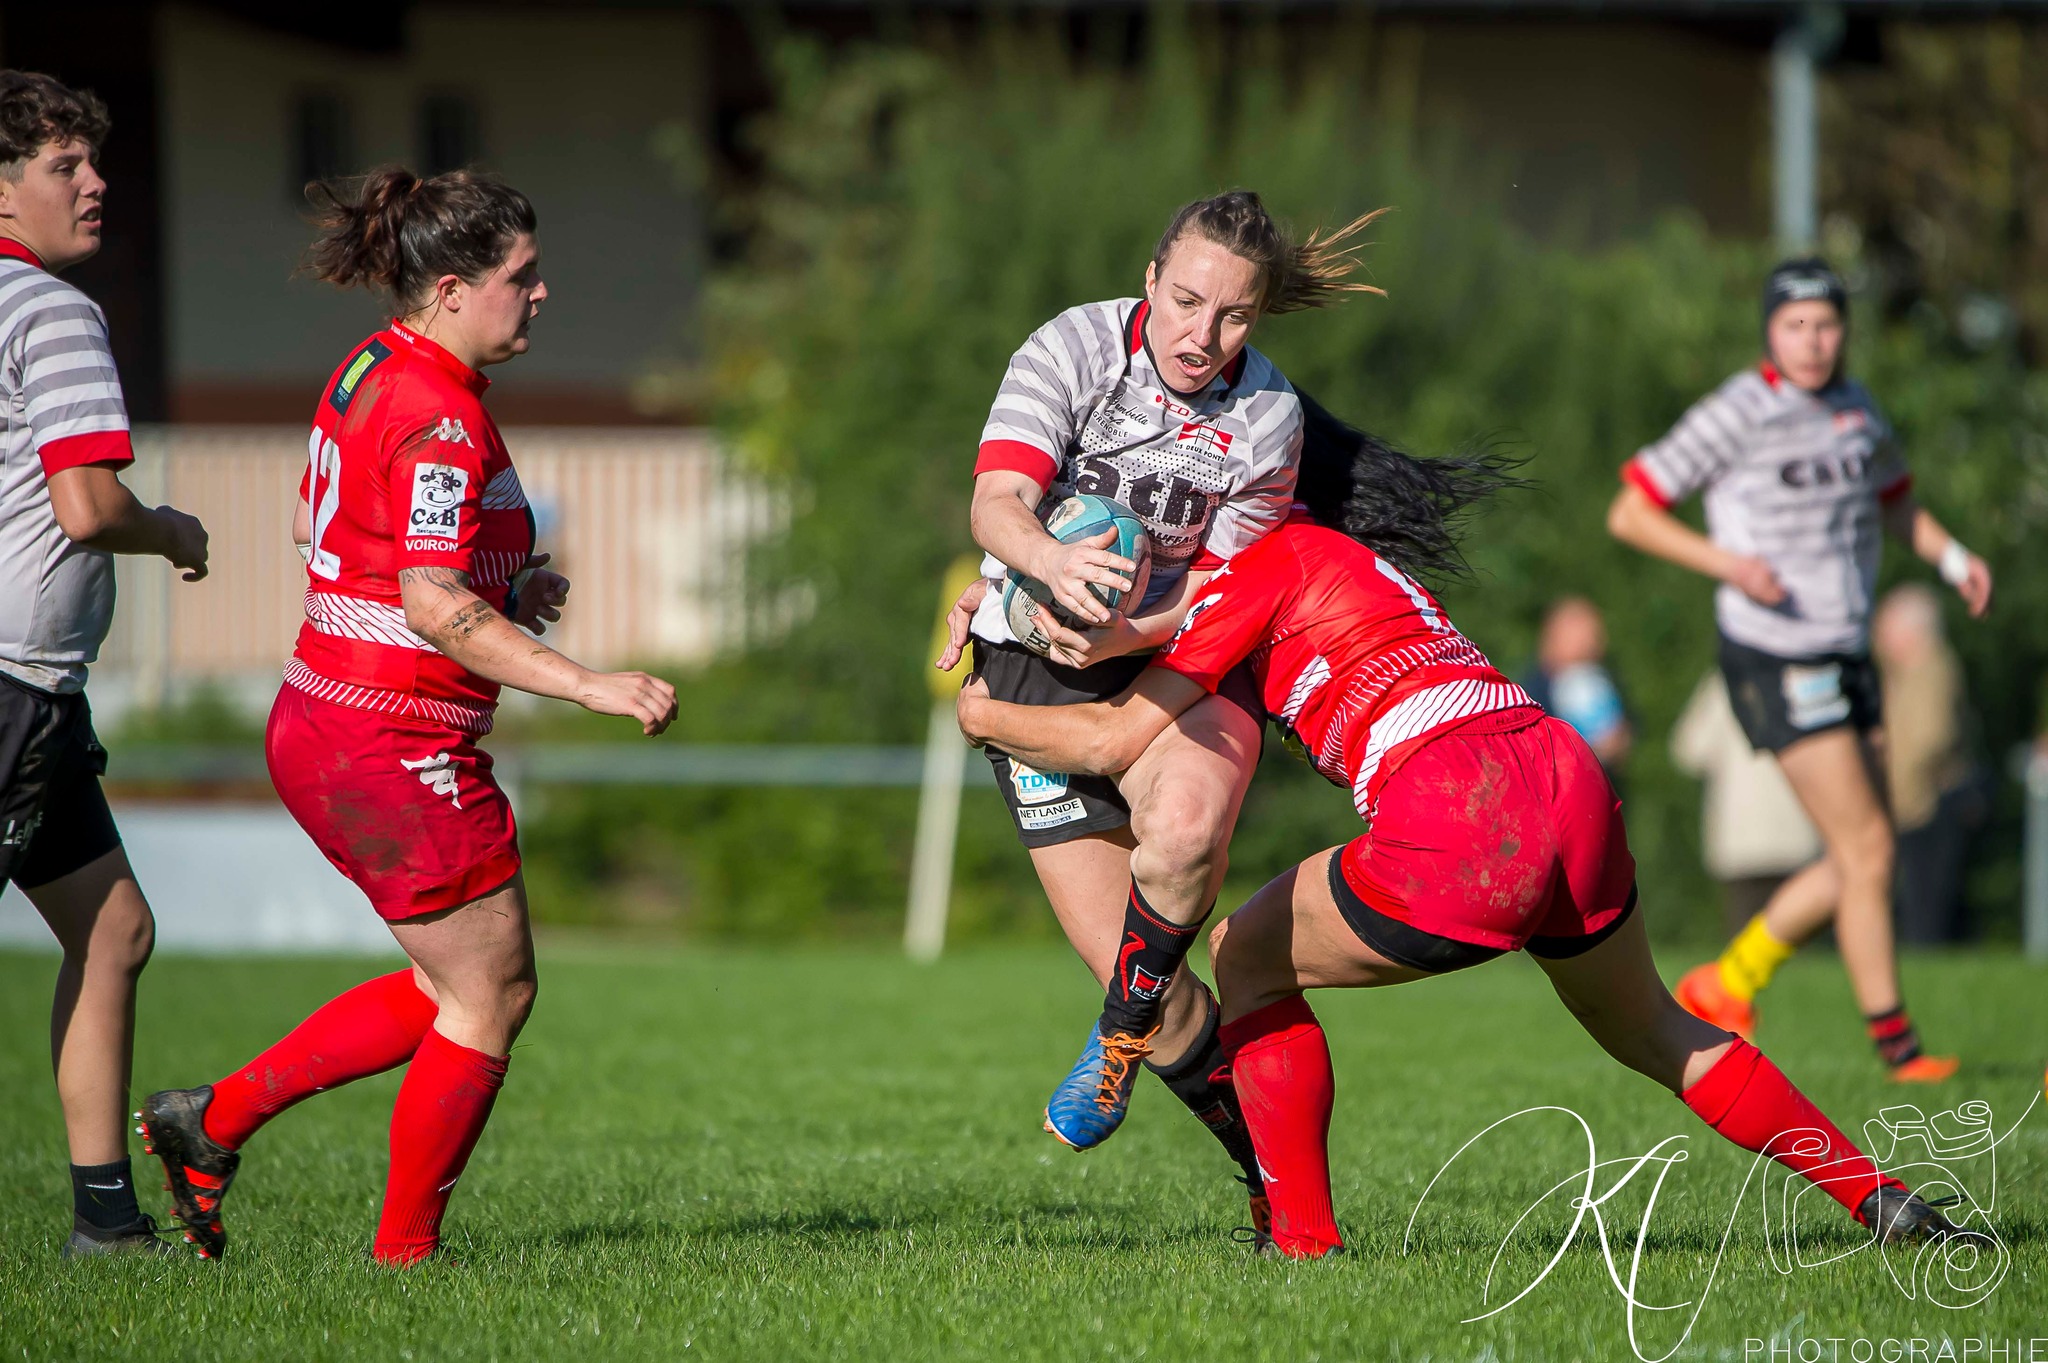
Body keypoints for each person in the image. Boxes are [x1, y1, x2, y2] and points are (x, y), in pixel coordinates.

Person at [955, 400, 1969, 1259]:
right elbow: (1146, 626)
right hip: (1558, 772)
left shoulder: (1265, 563)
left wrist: (983, 712)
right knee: (1656, 1029)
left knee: (1242, 956)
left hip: (1462, 814)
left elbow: (1115, 731)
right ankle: (1876, 1196)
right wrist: (1005, 594)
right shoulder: (1339, 558)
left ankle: (1301, 1245)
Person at [137, 167, 678, 1265]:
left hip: (330, 718)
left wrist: (503, 583)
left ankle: (210, 1122)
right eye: (521, 274)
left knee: (453, 984)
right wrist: (588, 682)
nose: (541, 292)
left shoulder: (373, 365)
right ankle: (404, 1257)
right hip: (390, 737)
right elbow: (430, 601)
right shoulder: (439, 412)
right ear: (450, 289)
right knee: (492, 992)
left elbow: (329, 532)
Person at [950, 192, 1380, 1231]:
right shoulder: (1071, 347)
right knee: (1164, 992)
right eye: (1186, 302)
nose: (1202, 335)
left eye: (1233, 316)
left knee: (1183, 835)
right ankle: (1271, 1186)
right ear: (1150, 280)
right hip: (1035, 667)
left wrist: (1120, 635)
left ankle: (1116, 1032)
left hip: (1182, 659)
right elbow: (995, 503)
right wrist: (1050, 567)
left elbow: (1227, 591)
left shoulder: (1267, 414)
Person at [1606, 258, 1991, 1081]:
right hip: (1776, 655)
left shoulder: (1857, 409)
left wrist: (1954, 557)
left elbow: (1896, 501)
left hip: (1848, 650)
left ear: (1844, 330)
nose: (1813, 340)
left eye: (1826, 324)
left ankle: (1731, 980)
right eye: (1796, 325)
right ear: (1770, 332)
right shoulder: (1738, 411)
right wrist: (1729, 565)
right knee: (1868, 846)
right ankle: (1895, 1047)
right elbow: (1631, 511)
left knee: (1865, 852)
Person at [0, 70, 211, 1257]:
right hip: (10, 685)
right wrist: (171, 530)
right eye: (62, 165)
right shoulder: (50, 310)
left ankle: (107, 1222)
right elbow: (87, 506)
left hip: (38, 697)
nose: (95, 183)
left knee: (113, 927)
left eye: (93, 161)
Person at [1669, 670, 1822, 935]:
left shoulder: (1723, 684)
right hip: (1797, 826)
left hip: (1740, 831)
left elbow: (1689, 751)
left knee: (1745, 932)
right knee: (1796, 932)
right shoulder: (1806, 677)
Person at [1872, 584, 1981, 944]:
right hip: (1920, 800)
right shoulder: (1908, 673)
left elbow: (1931, 737)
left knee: (1928, 905)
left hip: (1931, 802)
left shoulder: (1931, 668)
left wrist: (1899, 782)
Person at [1521, 596, 1631, 770]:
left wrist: (1619, 739)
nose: (1590, 644)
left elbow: (1627, 725)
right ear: (1553, 638)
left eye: (1594, 636)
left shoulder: (1602, 679)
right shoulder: (1529, 695)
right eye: (1581, 636)